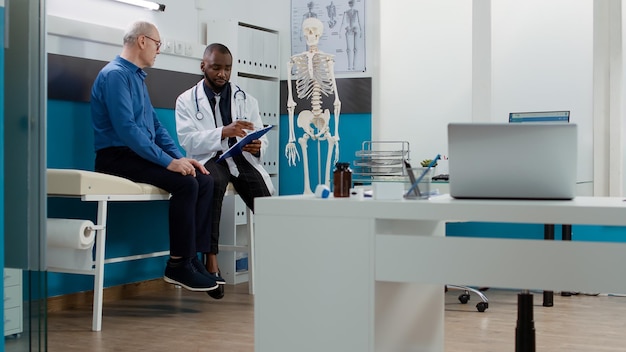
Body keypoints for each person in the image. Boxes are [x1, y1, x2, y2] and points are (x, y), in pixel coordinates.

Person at [90, 20, 222, 293]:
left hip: (135, 154)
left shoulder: (135, 77)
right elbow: (127, 130)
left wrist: (183, 159)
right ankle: (178, 264)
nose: (158, 50)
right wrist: (168, 163)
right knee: (186, 184)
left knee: (202, 178)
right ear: (142, 41)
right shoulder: (115, 75)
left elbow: (156, 128)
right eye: (157, 44)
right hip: (116, 157)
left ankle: (191, 258)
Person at [175, 43, 274, 299]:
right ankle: (211, 259)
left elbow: (261, 134)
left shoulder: (246, 98)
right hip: (210, 158)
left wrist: (256, 145)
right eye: (216, 67)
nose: (222, 74)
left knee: (265, 201)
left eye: (227, 68)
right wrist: (223, 132)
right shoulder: (186, 100)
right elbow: (188, 140)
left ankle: (278, 259)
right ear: (203, 66)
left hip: (240, 158)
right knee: (214, 183)